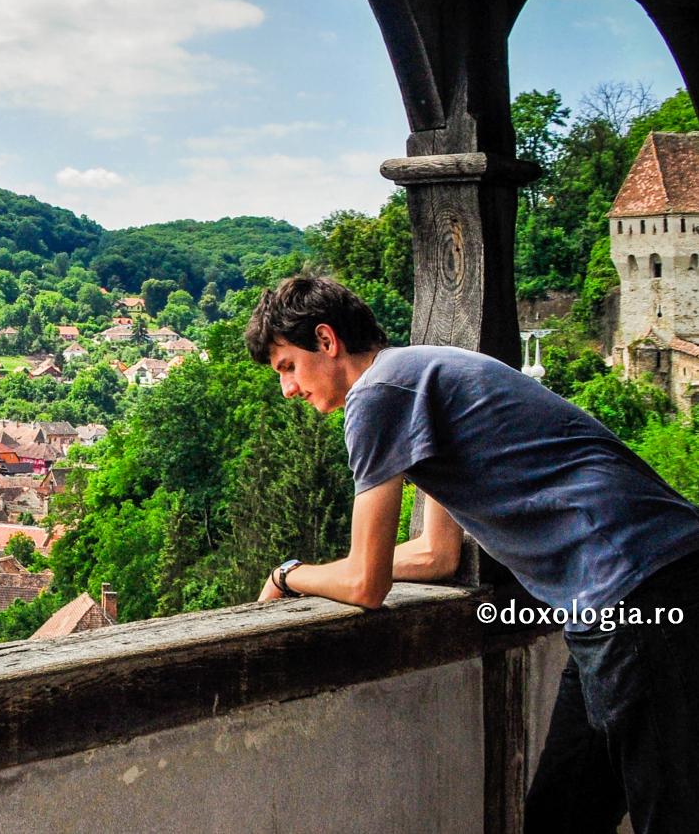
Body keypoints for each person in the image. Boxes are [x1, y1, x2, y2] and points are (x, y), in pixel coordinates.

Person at [245, 274, 699, 834]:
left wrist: (290, 576)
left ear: (326, 339)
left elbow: (366, 584)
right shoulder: (417, 377)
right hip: (620, 596)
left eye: (288, 366)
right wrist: (326, 572)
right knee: (560, 816)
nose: (288, 389)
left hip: (637, 588)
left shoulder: (377, 393)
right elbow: (435, 554)